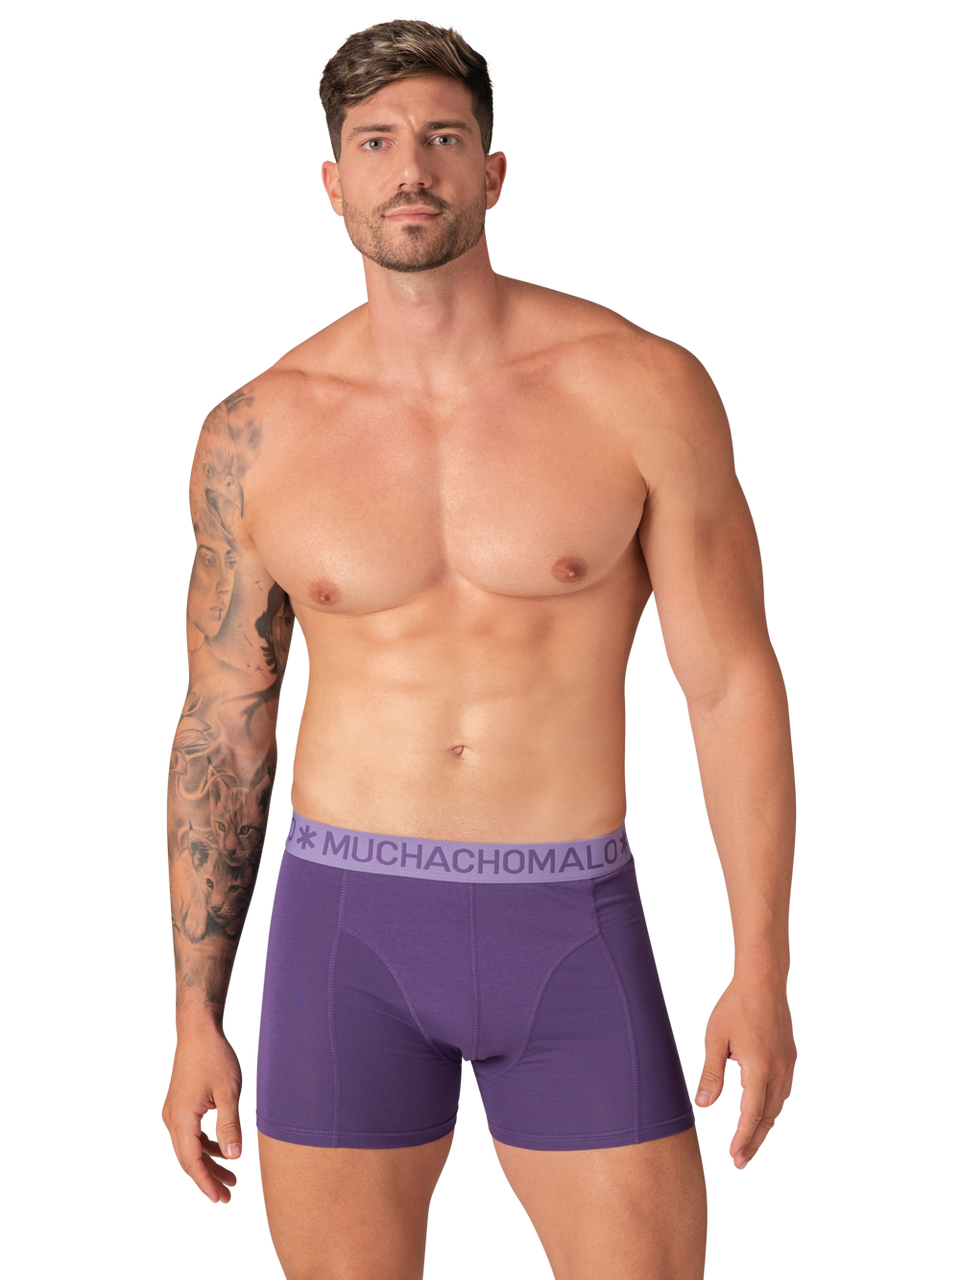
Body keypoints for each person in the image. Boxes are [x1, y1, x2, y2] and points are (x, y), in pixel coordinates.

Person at [161, 15, 798, 1279]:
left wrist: (763, 965)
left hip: (570, 921)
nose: (412, 168)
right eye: (376, 142)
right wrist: (192, 1011)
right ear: (332, 182)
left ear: (494, 171)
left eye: (444, 137)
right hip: (343, 932)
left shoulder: (641, 385)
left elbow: (731, 682)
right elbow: (223, 719)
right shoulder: (256, 429)